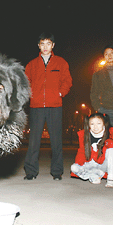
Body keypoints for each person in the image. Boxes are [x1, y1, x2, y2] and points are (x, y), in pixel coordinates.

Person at [24, 32, 72, 180]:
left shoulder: (61, 62)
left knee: (56, 140)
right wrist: (31, 95)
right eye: (42, 44)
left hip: (55, 105)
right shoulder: (32, 64)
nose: (45, 47)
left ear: (53, 45)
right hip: (36, 106)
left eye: (48, 44)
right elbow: (25, 82)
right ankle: (31, 172)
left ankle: (57, 172)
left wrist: (60, 93)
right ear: (38, 45)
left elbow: (67, 81)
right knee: (34, 140)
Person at [71, 113, 113, 187]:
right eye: (92, 124)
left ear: (104, 124)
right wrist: (80, 164)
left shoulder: (111, 133)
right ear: (88, 125)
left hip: (105, 163)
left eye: (98, 123)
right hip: (92, 163)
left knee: (112, 149)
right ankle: (95, 174)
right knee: (74, 167)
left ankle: (111, 178)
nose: (95, 127)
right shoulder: (85, 135)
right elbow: (81, 152)